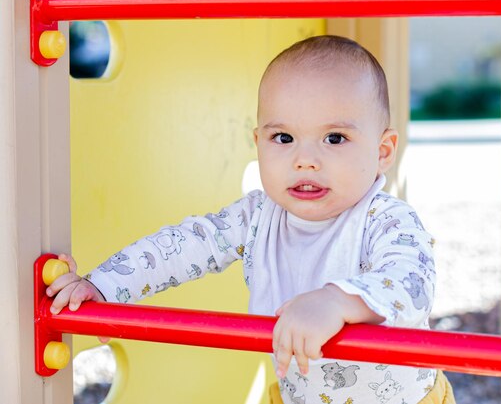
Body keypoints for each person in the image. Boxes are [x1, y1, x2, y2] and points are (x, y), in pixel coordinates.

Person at [47, 35, 455, 404]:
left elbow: (412, 283)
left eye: (335, 138)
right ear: (257, 142)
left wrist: (338, 300)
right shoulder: (258, 216)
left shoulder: (385, 219)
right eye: (283, 138)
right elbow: (183, 245)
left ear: (383, 152)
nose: (305, 160)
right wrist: (106, 285)